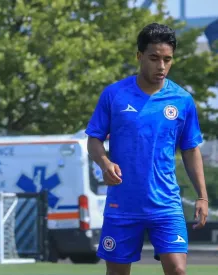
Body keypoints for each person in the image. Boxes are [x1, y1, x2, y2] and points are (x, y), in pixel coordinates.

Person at [85, 23, 208, 275]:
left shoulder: (182, 100)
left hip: (166, 204)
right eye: (154, 58)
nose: (161, 66)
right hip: (123, 204)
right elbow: (94, 139)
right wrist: (105, 163)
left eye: (167, 59)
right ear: (139, 56)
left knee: (178, 270)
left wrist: (202, 196)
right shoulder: (114, 95)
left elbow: (190, 149)